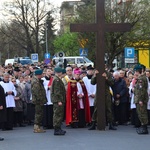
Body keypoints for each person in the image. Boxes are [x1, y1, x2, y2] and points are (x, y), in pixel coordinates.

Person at [133, 64, 149, 134]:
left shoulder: (141, 79)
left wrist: (140, 100)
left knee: (142, 113)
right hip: (139, 98)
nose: (135, 73)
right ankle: (143, 126)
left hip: (141, 99)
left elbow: (141, 90)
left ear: (138, 71)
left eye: (136, 71)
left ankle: (144, 127)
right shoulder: (141, 78)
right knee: (140, 113)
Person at [51, 67, 66, 135]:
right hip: (58, 100)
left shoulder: (56, 79)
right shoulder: (57, 80)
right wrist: (59, 100)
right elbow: (57, 92)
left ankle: (58, 128)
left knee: (59, 114)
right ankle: (57, 129)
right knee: (58, 114)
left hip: (58, 100)